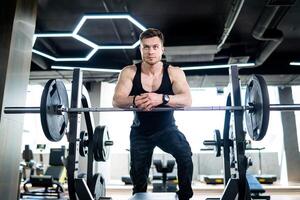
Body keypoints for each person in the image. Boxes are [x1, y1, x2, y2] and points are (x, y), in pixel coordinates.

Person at [112, 28, 193, 200]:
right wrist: (135, 100)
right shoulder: (129, 71)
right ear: (141, 49)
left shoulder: (174, 72)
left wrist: (161, 98)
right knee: (138, 173)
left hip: (167, 129)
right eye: (146, 47)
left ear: (162, 49)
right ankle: (139, 196)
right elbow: (117, 100)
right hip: (140, 131)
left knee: (184, 153)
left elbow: (187, 100)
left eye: (155, 47)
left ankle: (185, 195)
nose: (150, 51)